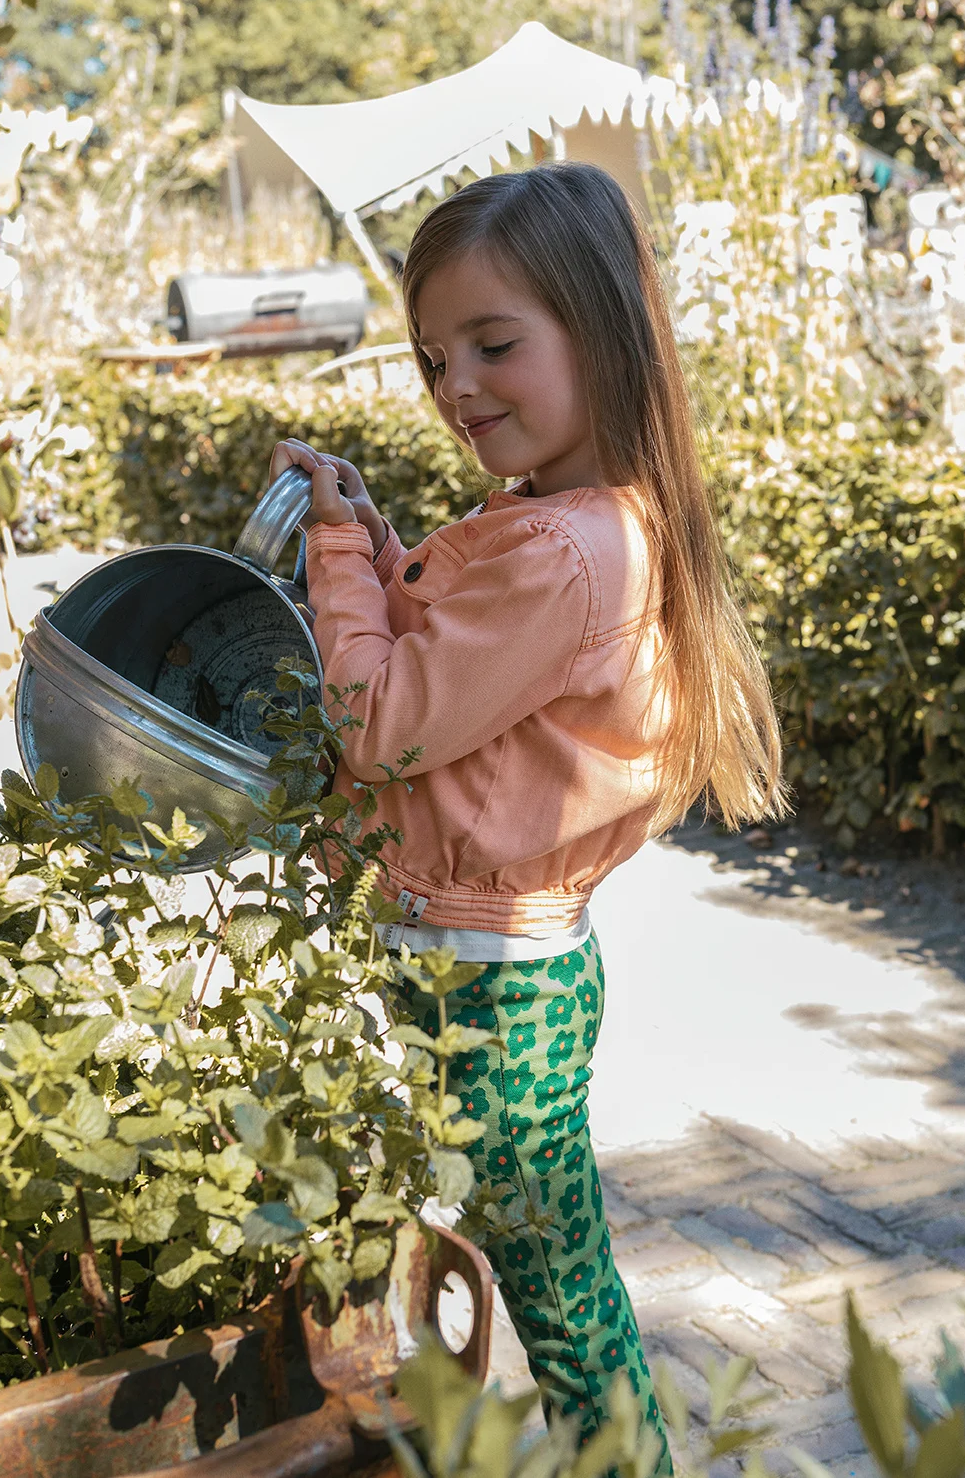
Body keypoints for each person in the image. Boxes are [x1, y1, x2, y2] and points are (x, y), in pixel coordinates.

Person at [269, 162, 783, 1472]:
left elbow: (379, 723)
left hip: (473, 983)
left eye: (494, 344)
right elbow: (457, 684)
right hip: (508, 964)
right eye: (436, 356)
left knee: (502, 1279)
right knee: (545, 1281)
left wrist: (334, 559)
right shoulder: (581, 519)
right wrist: (387, 554)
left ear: (604, 330)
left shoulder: (563, 547)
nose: (456, 388)